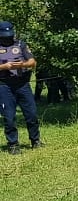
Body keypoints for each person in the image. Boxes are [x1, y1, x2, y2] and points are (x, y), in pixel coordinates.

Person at [0, 20, 41, 154]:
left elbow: (32, 61)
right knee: (9, 117)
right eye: (5, 36)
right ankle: (13, 144)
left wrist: (21, 65)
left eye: (10, 35)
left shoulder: (20, 44)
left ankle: (35, 140)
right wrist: (4, 67)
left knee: (32, 114)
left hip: (22, 84)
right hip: (4, 86)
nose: (8, 38)